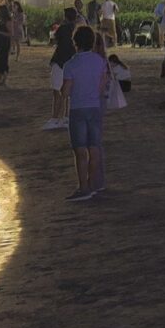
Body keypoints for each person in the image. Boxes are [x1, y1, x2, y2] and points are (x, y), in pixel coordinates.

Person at [60, 26, 110, 201]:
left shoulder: (70, 64)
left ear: (75, 43)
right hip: (94, 106)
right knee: (94, 147)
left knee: (80, 150)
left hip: (78, 108)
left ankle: (83, 187)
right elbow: (102, 85)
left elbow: (65, 92)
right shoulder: (100, 61)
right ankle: (92, 183)